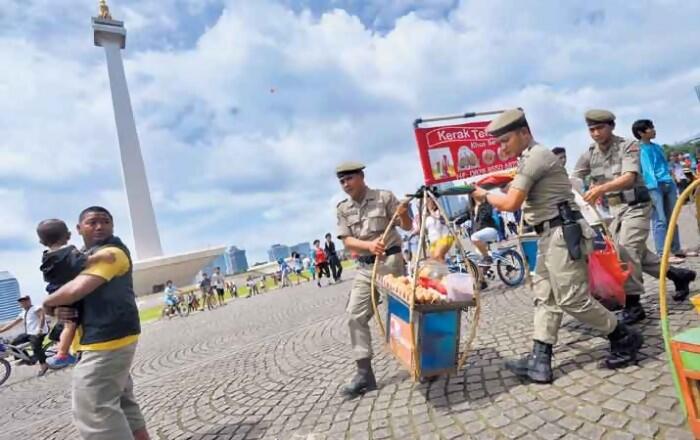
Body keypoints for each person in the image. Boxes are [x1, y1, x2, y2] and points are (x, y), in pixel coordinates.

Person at [471, 109, 642, 383]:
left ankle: (623, 335)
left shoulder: (536, 157)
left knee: (572, 299)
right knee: (545, 296)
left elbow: (511, 203)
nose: (501, 147)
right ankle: (540, 359)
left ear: (524, 133)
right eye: (498, 143)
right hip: (549, 235)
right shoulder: (528, 157)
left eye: (505, 141)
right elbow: (514, 178)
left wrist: (484, 196)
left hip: (561, 234)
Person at [574, 110, 696, 324]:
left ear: (611, 126)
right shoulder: (590, 153)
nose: (595, 133)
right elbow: (575, 176)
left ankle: (633, 304)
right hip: (615, 211)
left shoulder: (628, 146)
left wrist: (600, 189)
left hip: (637, 205)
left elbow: (629, 178)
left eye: (600, 128)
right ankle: (679, 275)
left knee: (626, 250)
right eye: (591, 129)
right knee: (640, 254)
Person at [42, 206, 149, 440]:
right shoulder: (81, 255)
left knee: (94, 410)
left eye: (105, 221)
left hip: (105, 341)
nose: (100, 226)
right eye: (92, 222)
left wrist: (48, 302)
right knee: (122, 402)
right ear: (78, 229)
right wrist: (62, 307)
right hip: (102, 337)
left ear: (113, 226)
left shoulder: (111, 252)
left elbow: (77, 289)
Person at [335, 161, 412, 397]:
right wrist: (368, 245)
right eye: (342, 181)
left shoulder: (384, 197)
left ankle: (419, 361)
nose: (345, 185)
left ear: (361, 176)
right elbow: (347, 241)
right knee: (354, 316)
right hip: (364, 268)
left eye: (349, 179)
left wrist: (404, 214)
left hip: (390, 263)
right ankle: (364, 374)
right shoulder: (343, 208)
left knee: (399, 315)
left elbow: (408, 227)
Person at [36, 218, 115, 368]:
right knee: (70, 325)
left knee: (67, 322)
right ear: (68, 235)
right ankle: (62, 354)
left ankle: (61, 347)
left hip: (55, 291)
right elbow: (84, 261)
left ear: (41, 242)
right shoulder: (69, 251)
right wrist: (102, 256)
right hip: (69, 290)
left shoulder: (46, 257)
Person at [631, 119, 686, 262]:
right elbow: (643, 171)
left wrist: (671, 179)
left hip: (668, 183)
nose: (654, 130)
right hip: (653, 187)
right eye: (650, 128)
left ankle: (676, 249)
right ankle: (663, 253)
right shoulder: (638, 150)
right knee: (660, 220)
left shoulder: (657, 147)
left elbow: (665, 165)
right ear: (641, 133)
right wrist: (649, 186)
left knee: (672, 217)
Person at [0, 295, 49, 376]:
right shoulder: (23, 313)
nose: (23, 302)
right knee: (13, 343)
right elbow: (13, 324)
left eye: (25, 300)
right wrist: (1, 330)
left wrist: (40, 329)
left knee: (35, 346)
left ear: (29, 301)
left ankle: (44, 365)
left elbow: (41, 317)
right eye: (21, 301)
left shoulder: (35, 308)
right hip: (29, 333)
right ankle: (26, 359)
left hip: (39, 332)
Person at [470, 199, 499, 264]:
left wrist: (479, 209)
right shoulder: (473, 208)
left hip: (490, 229)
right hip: (481, 232)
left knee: (474, 237)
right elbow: (466, 217)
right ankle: (488, 271)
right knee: (479, 254)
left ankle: (487, 257)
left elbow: (487, 214)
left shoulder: (486, 205)